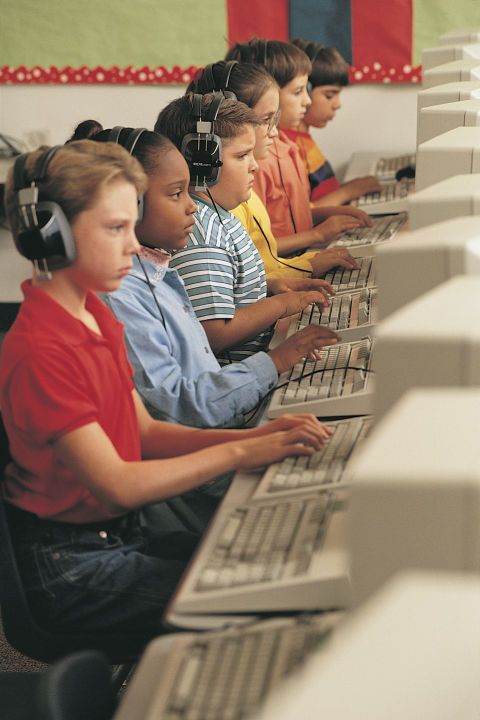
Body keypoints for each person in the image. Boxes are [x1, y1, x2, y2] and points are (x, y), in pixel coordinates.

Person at [0, 140, 332, 657]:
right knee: (256, 608)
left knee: (265, 567)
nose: (133, 245)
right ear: (53, 236)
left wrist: (255, 435)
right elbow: (117, 484)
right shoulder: (42, 349)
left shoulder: (96, 315)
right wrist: (240, 451)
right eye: (115, 229)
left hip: (121, 537)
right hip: (73, 569)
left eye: (131, 226)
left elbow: (144, 432)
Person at [70, 122, 338, 428]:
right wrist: (276, 362)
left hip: (221, 421)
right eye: (175, 194)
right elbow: (178, 408)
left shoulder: (156, 271)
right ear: (132, 206)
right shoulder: (119, 296)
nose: (192, 208)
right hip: (204, 441)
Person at [155, 93, 340, 365]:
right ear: (202, 163)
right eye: (242, 156)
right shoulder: (201, 235)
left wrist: (270, 287)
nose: (255, 165)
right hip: (239, 382)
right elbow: (213, 333)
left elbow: (224, 294)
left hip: (259, 360)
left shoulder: (220, 215)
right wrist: (281, 305)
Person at [188, 60, 359, 280]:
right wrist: (312, 253)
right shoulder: (226, 197)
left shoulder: (246, 191)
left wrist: (312, 261)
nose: (275, 133)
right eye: (267, 119)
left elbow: (268, 264)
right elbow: (251, 283)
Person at [226, 38, 374, 254]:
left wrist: (331, 214)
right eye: (298, 92)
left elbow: (291, 217)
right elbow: (258, 248)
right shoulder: (255, 163)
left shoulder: (289, 147)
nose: (307, 101)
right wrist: (317, 234)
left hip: (301, 261)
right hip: (286, 270)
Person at [288, 39, 381, 206]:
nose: (338, 104)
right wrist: (347, 192)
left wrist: (350, 188)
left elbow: (319, 195)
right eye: (329, 95)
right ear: (304, 91)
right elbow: (301, 214)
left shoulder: (304, 140)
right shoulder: (288, 147)